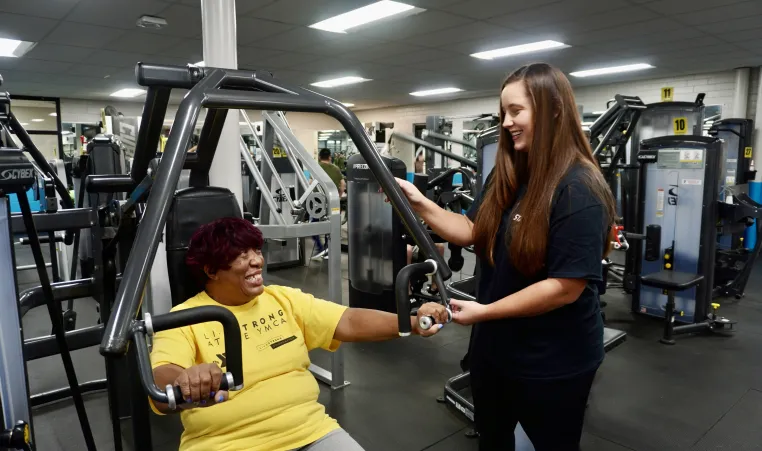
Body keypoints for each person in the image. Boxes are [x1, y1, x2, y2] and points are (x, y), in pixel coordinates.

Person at [394, 62, 617, 450]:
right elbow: (472, 230)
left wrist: (484, 311)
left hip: (553, 360)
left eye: (517, 111)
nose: (507, 122)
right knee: (493, 441)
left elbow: (564, 287)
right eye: (504, 114)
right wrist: (419, 203)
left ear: (554, 110)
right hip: (495, 350)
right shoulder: (509, 171)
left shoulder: (578, 187)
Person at [150, 217, 448, 451]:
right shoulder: (185, 317)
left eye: (256, 250)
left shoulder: (282, 298)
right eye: (242, 255)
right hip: (226, 442)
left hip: (310, 431)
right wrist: (188, 380)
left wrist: (411, 323)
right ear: (211, 271)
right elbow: (162, 378)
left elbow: (348, 321)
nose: (257, 261)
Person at [311, 148, 345, 260]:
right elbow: (342, 184)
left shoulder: (316, 168)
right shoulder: (336, 169)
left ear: (320, 157)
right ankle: (327, 250)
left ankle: (320, 248)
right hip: (332, 202)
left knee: (313, 226)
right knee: (331, 227)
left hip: (318, 203)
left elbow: (310, 184)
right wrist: (338, 197)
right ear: (330, 157)